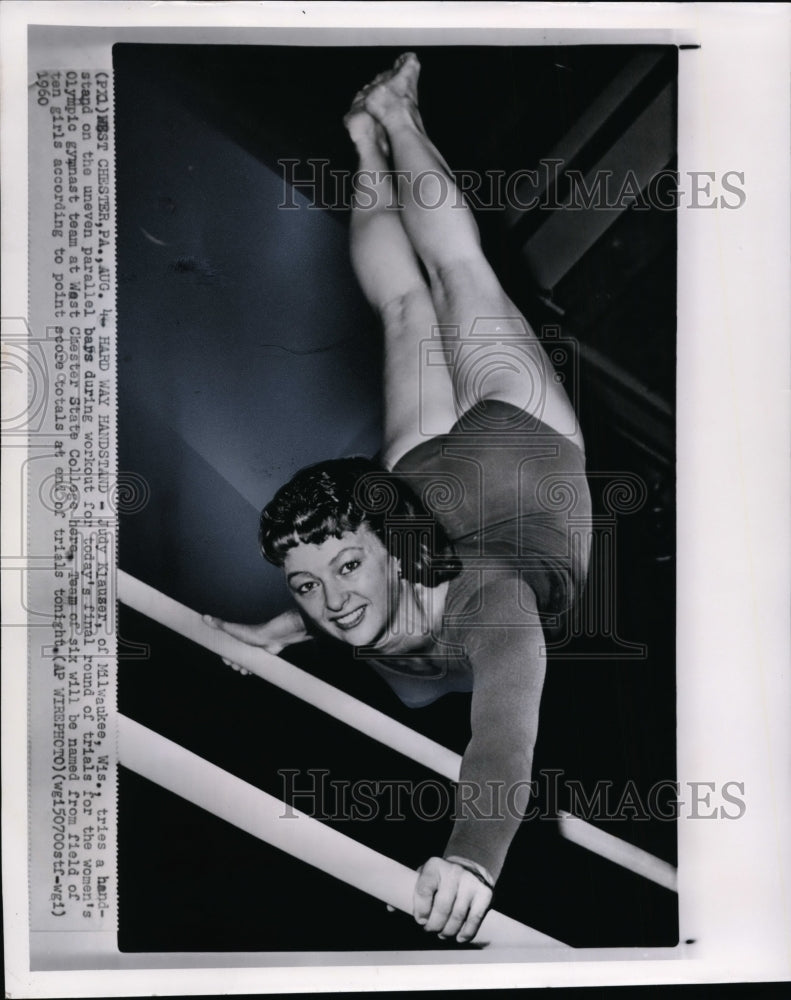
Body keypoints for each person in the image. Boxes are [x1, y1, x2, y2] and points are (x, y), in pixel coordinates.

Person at [204, 53, 591, 944]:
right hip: (432, 479)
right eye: (305, 585)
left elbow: (501, 738)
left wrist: (472, 858)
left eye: (343, 566)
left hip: (514, 446)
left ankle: (393, 117)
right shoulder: (375, 554)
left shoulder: (497, 608)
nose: (331, 601)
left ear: (385, 536)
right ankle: (366, 146)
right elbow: (343, 594)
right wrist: (281, 627)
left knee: (453, 276)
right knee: (407, 309)